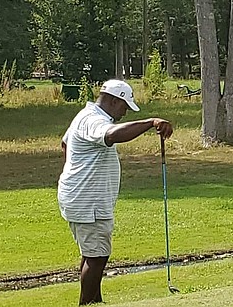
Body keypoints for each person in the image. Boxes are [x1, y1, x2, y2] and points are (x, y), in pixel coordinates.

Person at [58, 79, 174, 305]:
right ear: (113, 100)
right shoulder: (94, 120)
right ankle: (87, 304)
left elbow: (65, 144)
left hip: (81, 197)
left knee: (93, 253)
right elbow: (111, 135)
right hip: (88, 201)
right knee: (97, 255)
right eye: (124, 107)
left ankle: (95, 301)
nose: (124, 113)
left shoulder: (84, 116)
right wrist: (150, 123)